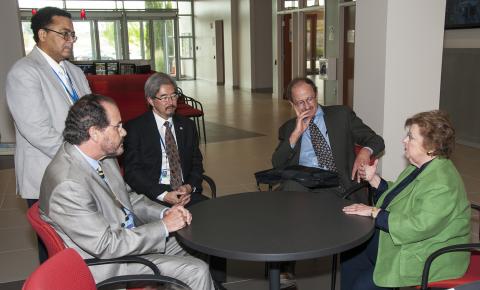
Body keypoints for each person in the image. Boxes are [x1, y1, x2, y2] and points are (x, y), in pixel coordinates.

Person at [39, 94, 214, 289]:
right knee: (196, 270)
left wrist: (164, 213)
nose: (124, 132)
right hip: (108, 263)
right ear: (95, 133)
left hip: (125, 238)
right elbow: (106, 245)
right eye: (118, 126)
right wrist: (164, 226)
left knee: (193, 240)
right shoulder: (69, 185)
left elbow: (128, 198)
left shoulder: (101, 156)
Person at [341, 110, 471, 290]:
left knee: (363, 285)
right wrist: (374, 180)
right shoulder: (421, 166)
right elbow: (400, 195)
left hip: (429, 252)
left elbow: (417, 227)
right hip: (409, 240)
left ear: (431, 147)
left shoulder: (443, 184)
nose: (404, 141)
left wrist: (373, 211)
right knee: (350, 257)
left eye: (411, 137)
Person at [6, 6, 91, 263]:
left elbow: (90, 115)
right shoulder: (24, 72)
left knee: (81, 241)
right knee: (54, 249)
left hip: (80, 168)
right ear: (42, 34)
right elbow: (37, 131)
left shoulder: (74, 72)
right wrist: (82, 156)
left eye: (73, 35)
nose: (70, 40)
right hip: (47, 174)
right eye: (64, 34)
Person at [272, 77, 385, 202]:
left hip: (338, 185)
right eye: (300, 102)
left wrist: (365, 152)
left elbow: (376, 140)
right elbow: (277, 163)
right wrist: (295, 134)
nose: (307, 106)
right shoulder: (289, 128)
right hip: (303, 185)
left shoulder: (341, 115)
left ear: (316, 95)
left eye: (309, 99)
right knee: (292, 187)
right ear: (292, 104)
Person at [123, 72, 208, 208]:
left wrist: (189, 187)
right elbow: (133, 172)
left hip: (184, 193)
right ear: (150, 100)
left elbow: (196, 163)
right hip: (153, 196)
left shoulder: (187, 126)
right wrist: (163, 195)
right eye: (164, 97)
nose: (171, 102)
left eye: (173, 96)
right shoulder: (135, 129)